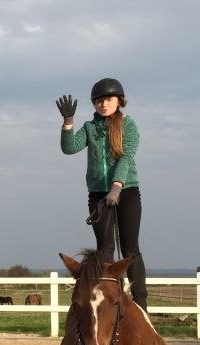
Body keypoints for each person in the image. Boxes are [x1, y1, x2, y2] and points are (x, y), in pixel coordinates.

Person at [57, 78, 148, 312]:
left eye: (108, 99)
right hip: (98, 195)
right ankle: (108, 303)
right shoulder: (90, 128)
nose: (103, 104)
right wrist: (68, 122)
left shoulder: (129, 125)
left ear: (119, 100)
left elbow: (126, 156)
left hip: (126, 191)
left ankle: (141, 304)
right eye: (98, 101)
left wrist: (117, 186)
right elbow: (69, 148)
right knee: (105, 250)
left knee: (130, 248)